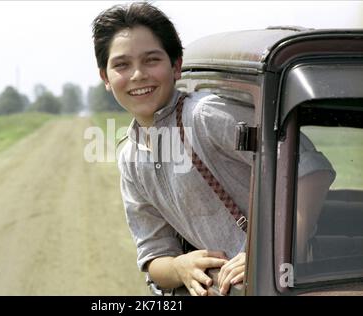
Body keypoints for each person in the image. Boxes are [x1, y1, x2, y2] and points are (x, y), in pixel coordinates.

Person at [91, 2, 335, 296]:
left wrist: (266, 254)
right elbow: (154, 256)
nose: (138, 74)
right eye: (121, 65)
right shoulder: (130, 159)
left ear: (176, 65)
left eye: (151, 60)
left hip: (291, 284)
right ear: (105, 77)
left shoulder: (205, 115)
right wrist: (180, 267)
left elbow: (310, 172)